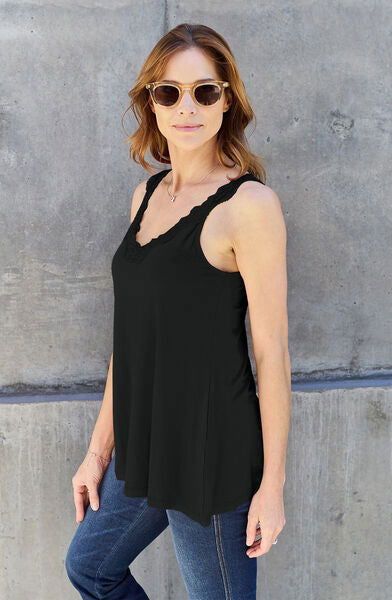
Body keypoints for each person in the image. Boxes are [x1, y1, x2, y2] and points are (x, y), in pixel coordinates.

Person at [65, 22, 291, 600]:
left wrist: (272, 487)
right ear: (151, 102)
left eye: (204, 91)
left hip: (209, 453)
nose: (186, 107)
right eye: (169, 92)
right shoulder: (145, 196)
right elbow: (130, 339)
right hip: (143, 447)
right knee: (91, 568)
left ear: (227, 100)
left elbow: (271, 353)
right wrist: (97, 453)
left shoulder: (249, 206)